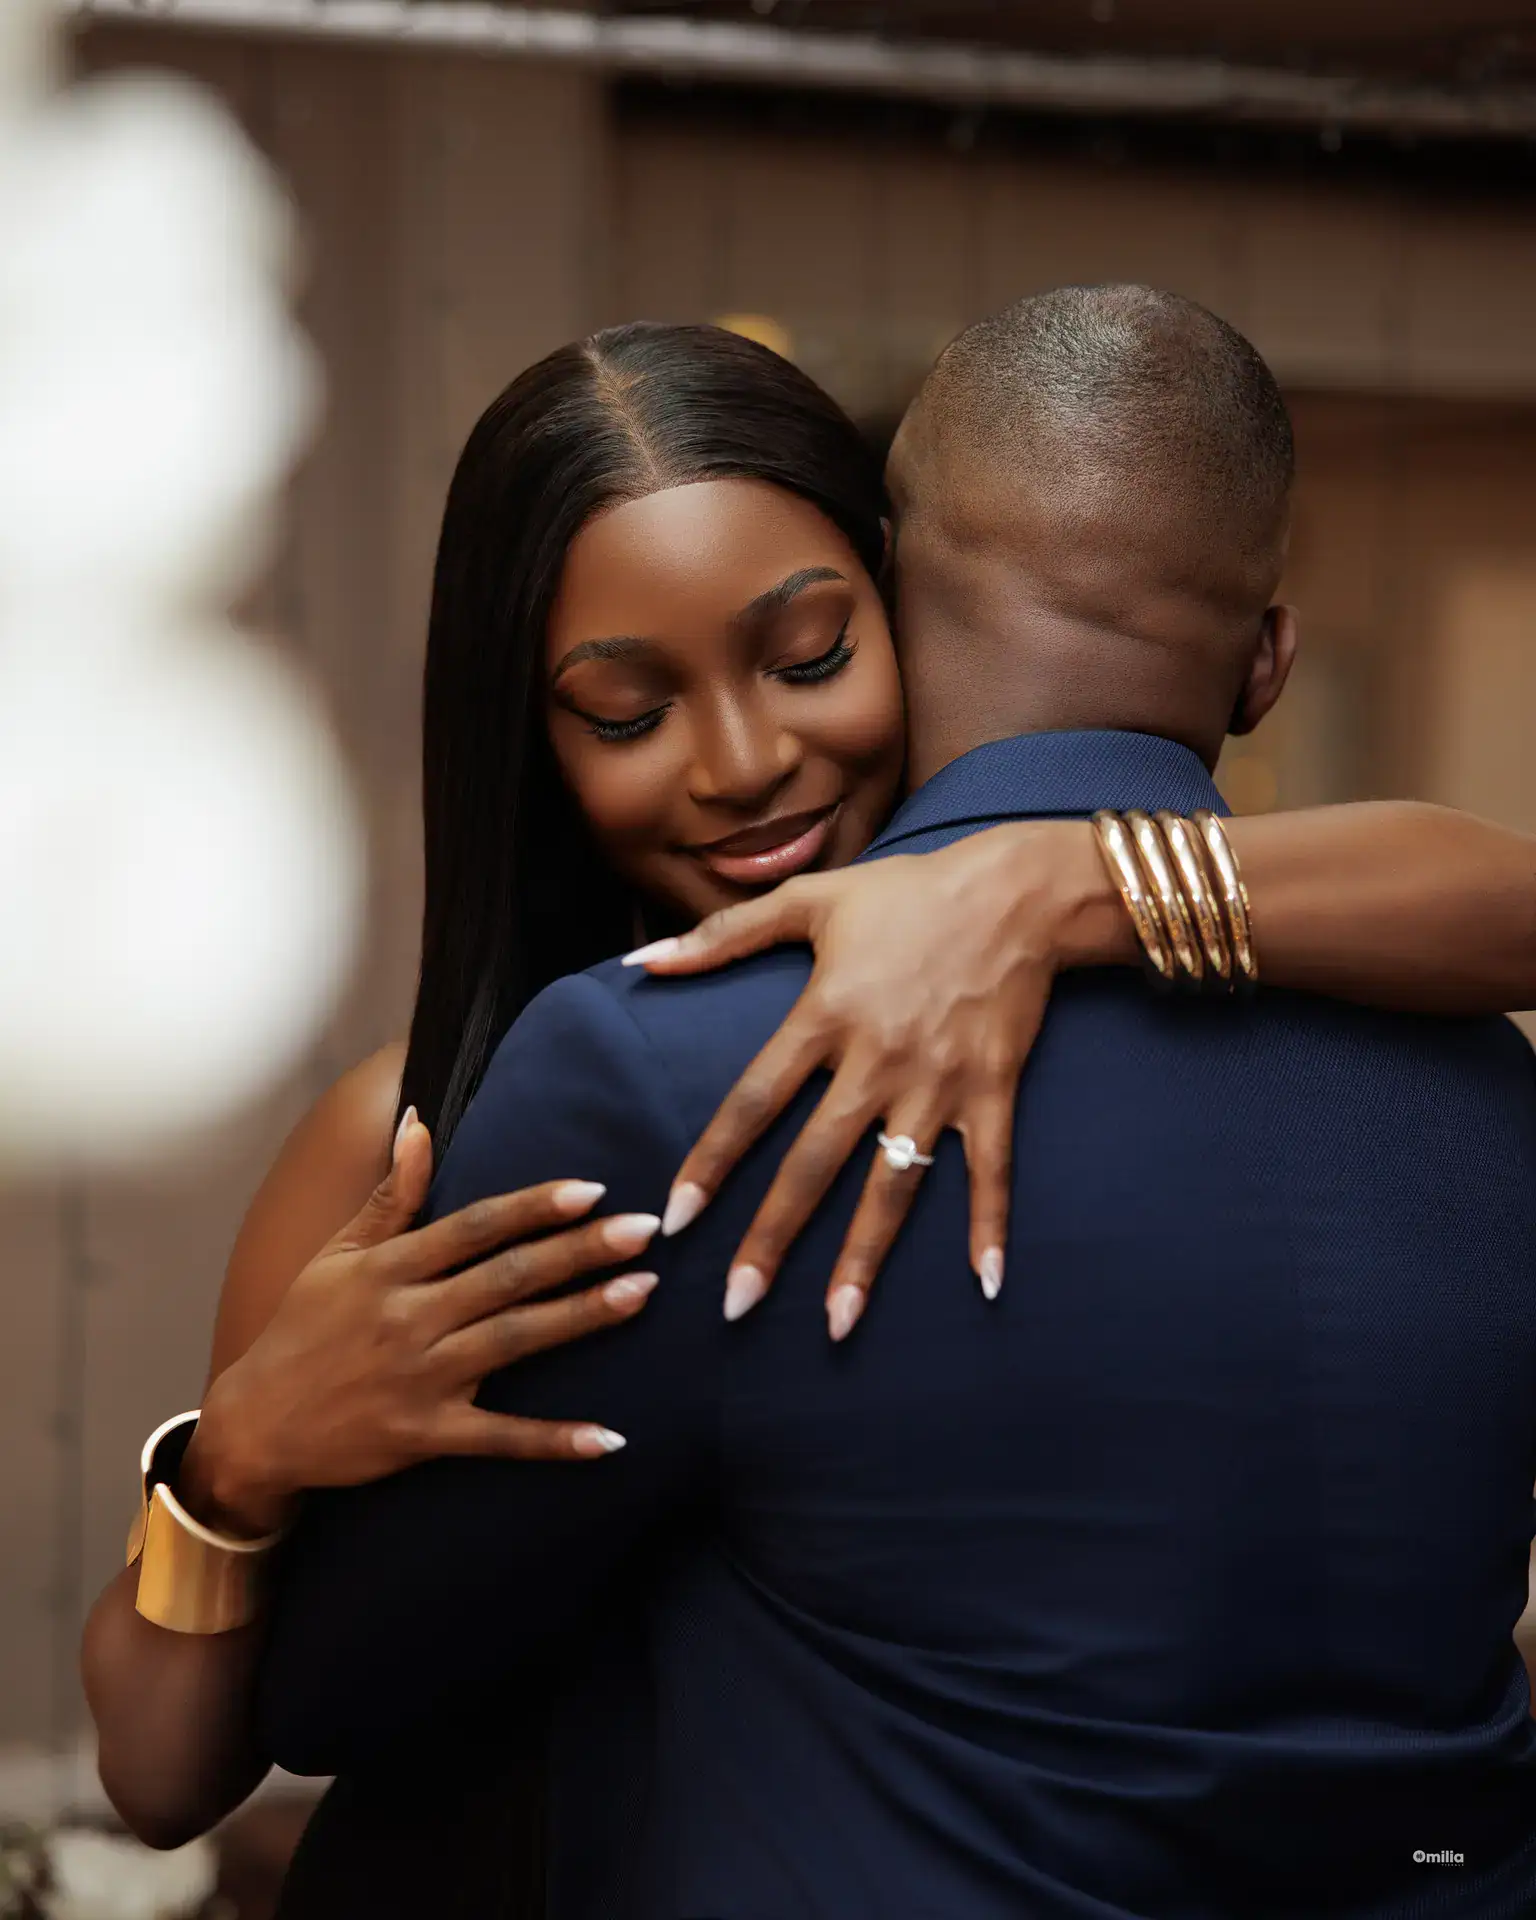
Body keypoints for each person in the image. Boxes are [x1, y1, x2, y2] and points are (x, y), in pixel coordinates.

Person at [84, 311, 1536, 1907]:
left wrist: (1044, 877)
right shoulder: (430, 1122)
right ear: (537, 738)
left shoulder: (1037, 946)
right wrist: (232, 1467)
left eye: (809, 656)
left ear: (922, 605)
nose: (746, 761)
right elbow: (190, 1769)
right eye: (629, 712)